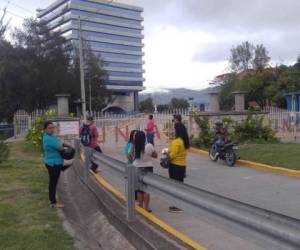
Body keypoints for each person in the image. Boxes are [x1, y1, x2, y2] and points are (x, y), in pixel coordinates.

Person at [168, 122, 190, 213]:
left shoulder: (176, 142)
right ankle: (179, 205)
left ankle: (177, 206)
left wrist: (166, 153)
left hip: (175, 166)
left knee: (175, 186)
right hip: (182, 166)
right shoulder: (184, 141)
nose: (172, 130)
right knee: (179, 185)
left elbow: (172, 155)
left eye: (173, 128)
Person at [133, 131, 157, 212]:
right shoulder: (149, 146)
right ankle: (146, 207)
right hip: (148, 168)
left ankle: (140, 204)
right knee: (147, 189)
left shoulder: (134, 146)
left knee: (139, 189)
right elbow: (155, 155)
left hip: (137, 168)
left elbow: (129, 156)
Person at [43, 121, 65, 208]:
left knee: (53, 182)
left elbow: (59, 144)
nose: (52, 130)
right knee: (53, 183)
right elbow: (61, 147)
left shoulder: (49, 137)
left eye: (53, 128)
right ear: (45, 129)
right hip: (54, 164)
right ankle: (53, 203)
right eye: (49, 128)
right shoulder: (49, 138)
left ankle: (52, 201)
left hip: (52, 162)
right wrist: (61, 145)